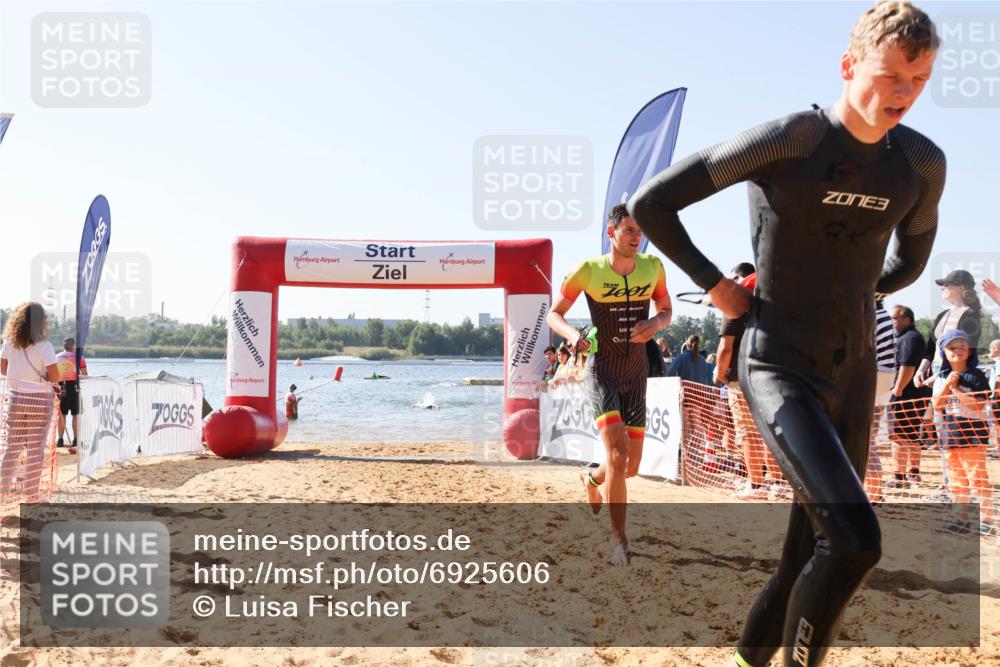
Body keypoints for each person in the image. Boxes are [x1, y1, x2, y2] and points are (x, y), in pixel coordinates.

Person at [628, 3, 943, 663]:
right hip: (777, 361)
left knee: (809, 551)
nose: (905, 94)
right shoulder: (792, 140)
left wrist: (864, 292)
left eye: (918, 81)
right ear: (849, 65)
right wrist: (717, 285)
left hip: (854, 369)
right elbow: (653, 202)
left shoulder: (920, 163)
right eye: (892, 76)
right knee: (855, 540)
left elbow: (912, 260)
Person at [547, 203, 672, 566]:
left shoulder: (653, 268)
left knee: (628, 467)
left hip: (636, 373)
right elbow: (556, 314)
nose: (637, 237)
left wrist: (657, 325)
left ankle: (593, 480)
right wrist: (573, 336)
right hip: (602, 372)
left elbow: (665, 309)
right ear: (611, 233)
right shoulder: (588, 271)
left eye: (640, 231)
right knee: (617, 456)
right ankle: (620, 542)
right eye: (630, 230)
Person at [931, 330, 995, 535]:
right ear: (944, 352)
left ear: (969, 351)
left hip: (973, 433)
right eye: (951, 347)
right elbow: (937, 405)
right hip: (951, 433)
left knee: (977, 478)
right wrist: (948, 385)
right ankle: (961, 518)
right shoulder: (941, 376)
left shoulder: (976, 375)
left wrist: (956, 389)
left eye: (961, 346)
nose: (956, 350)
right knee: (956, 480)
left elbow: (979, 405)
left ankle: (986, 519)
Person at [0, 302, 60, 501]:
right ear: (41, 322)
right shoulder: (44, 345)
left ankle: (2, 492)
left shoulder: (9, 342)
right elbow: (54, 376)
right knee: (35, 449)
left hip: (16, 397)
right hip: (39, 400)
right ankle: (31, 496)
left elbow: (3, 369)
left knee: (12, 448)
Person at [914, 269, 983, 387]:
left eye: (946, 285)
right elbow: (930, 348)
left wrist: (941, 376)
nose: (942, 288)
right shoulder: (942, 314)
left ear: (962, 287)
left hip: (959, 376)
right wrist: (920, 371)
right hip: (938, 372)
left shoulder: (970, 315)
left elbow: (964, 353)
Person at [887, 305, 930, 488]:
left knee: (898, 436)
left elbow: (907, 366)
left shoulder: (909, 338)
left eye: (894, 318)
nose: (892, 321)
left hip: (905, 393)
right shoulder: (910, 337)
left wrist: (897, 390)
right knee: (911, 435)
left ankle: (899, 477)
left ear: (906, 319)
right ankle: (913, 474)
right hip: (914, 393)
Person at [54, 337, 87, 448]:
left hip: (61, 387)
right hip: (74, 387)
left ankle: (60, 440)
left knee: (62, 415)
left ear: (64, 346)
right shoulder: (79, 357)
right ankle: (75, 440)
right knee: (75, 415)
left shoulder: (56, 357)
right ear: (73, 346)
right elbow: (85, 375)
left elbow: (52, 374)